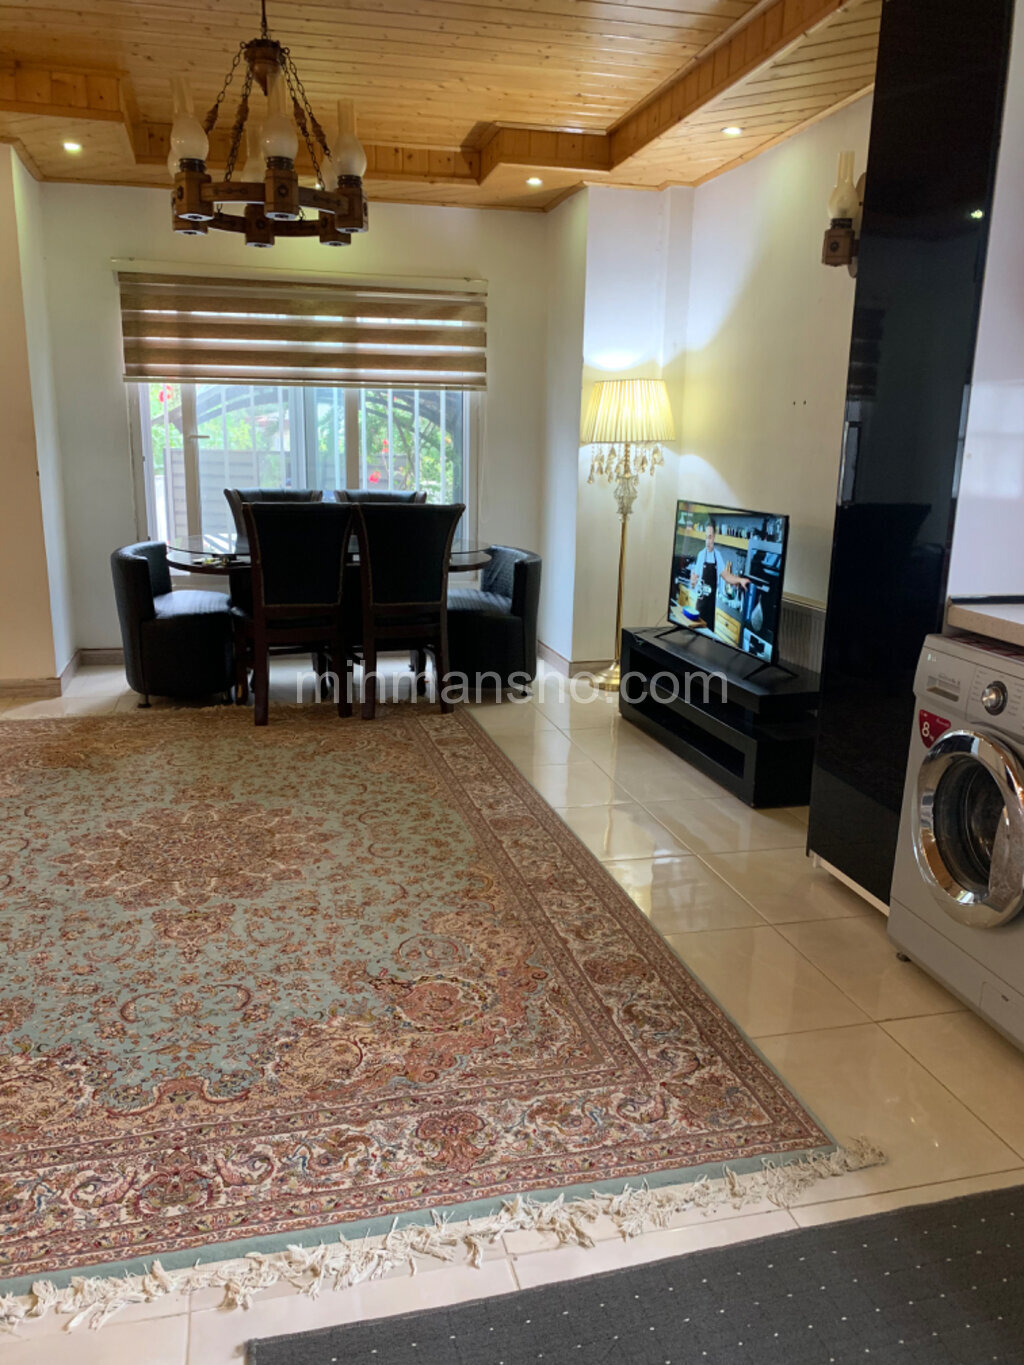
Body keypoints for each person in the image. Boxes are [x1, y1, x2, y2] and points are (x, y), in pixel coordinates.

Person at [689, 517, 750, 632]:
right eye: (706, 537)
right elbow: (693, 582)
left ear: (714, 537)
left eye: (710, 537)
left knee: (709, 636)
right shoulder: (701, 555)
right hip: (700, 607)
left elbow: (727, 576)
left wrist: (740, 580)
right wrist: (692, 582)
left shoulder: (718, 556)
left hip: (711, 608)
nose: (707, 541)